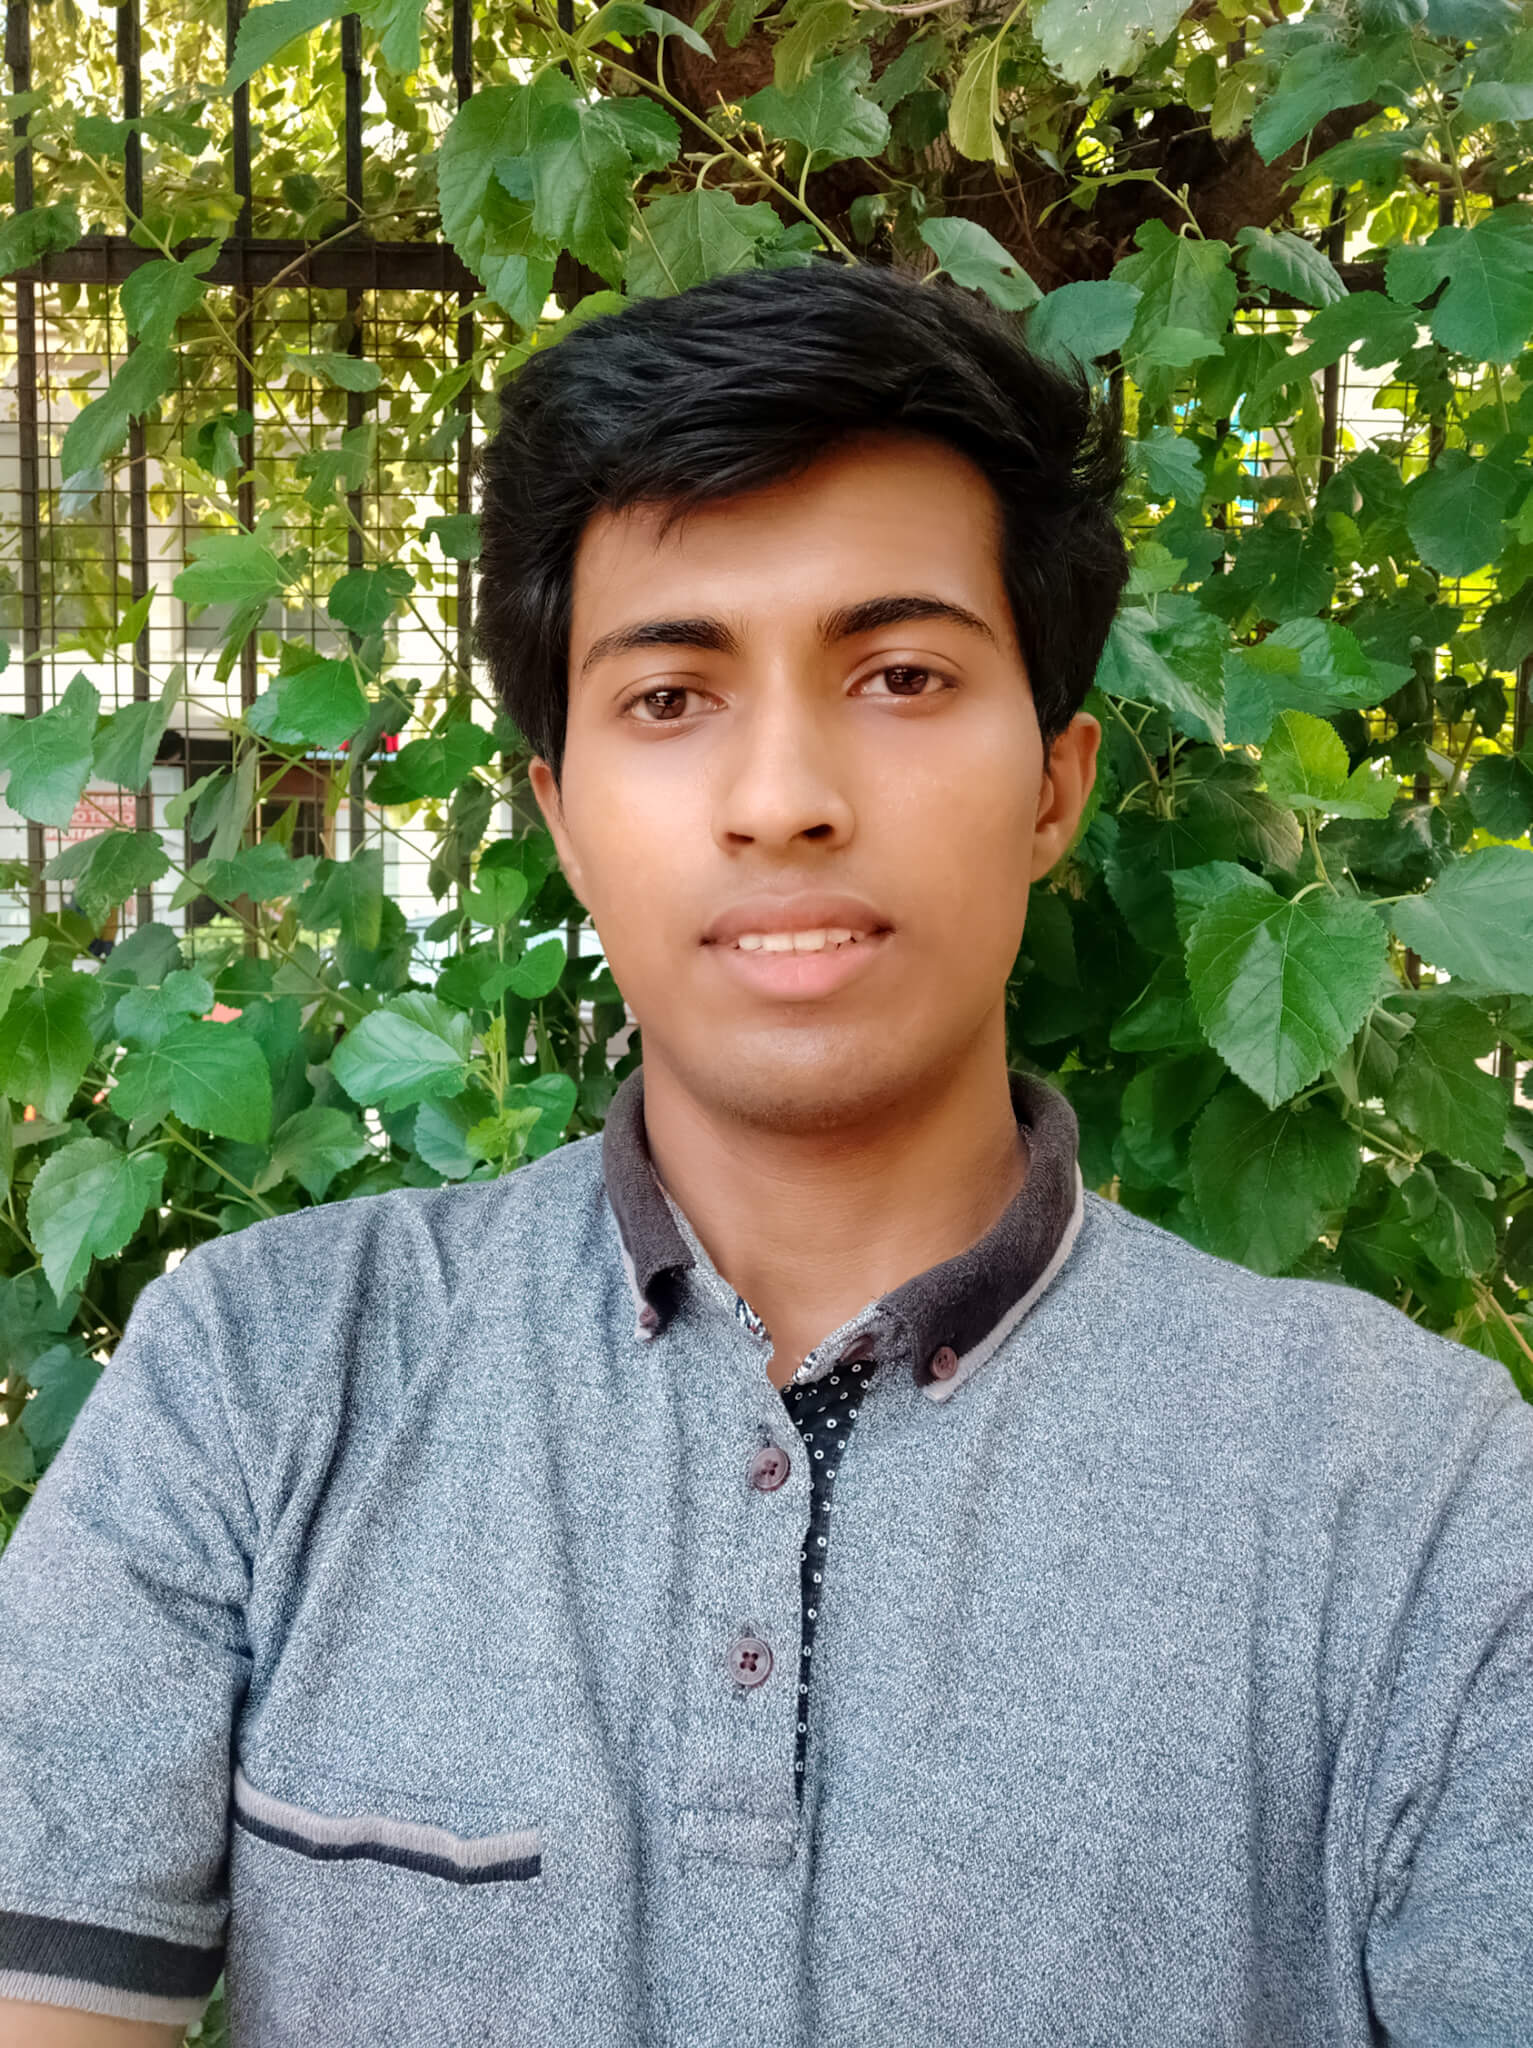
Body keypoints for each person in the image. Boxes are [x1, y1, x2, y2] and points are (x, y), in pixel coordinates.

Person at [1, 258, 1529, 2048]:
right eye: (669, 698)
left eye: (899, 674)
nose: (783, 797)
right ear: (563, 817)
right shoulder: (265, 1378)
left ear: (1053, 786)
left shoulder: (1407, 1496)